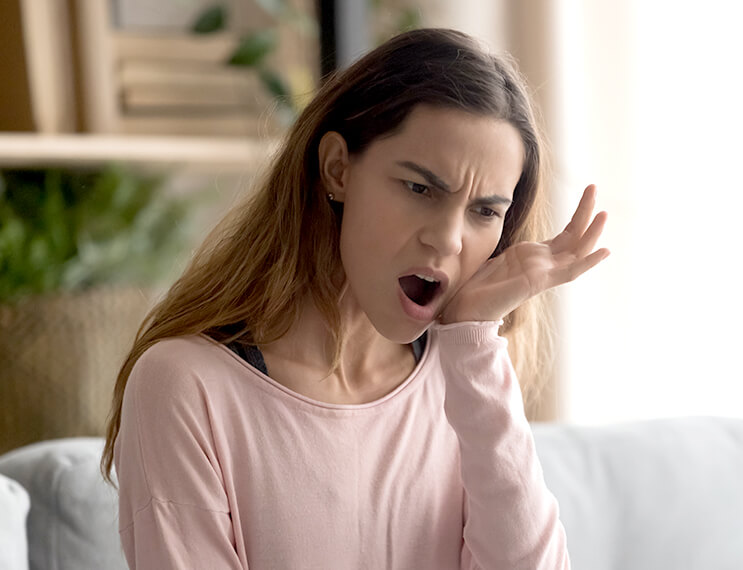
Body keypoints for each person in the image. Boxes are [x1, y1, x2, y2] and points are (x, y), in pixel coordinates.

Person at [101, 28, 608, 569]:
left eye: (484, 211)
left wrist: (475, 346)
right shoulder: (186, 385)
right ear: (338, 169)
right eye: (420, 188)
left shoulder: (464, 382)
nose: (448, 239)